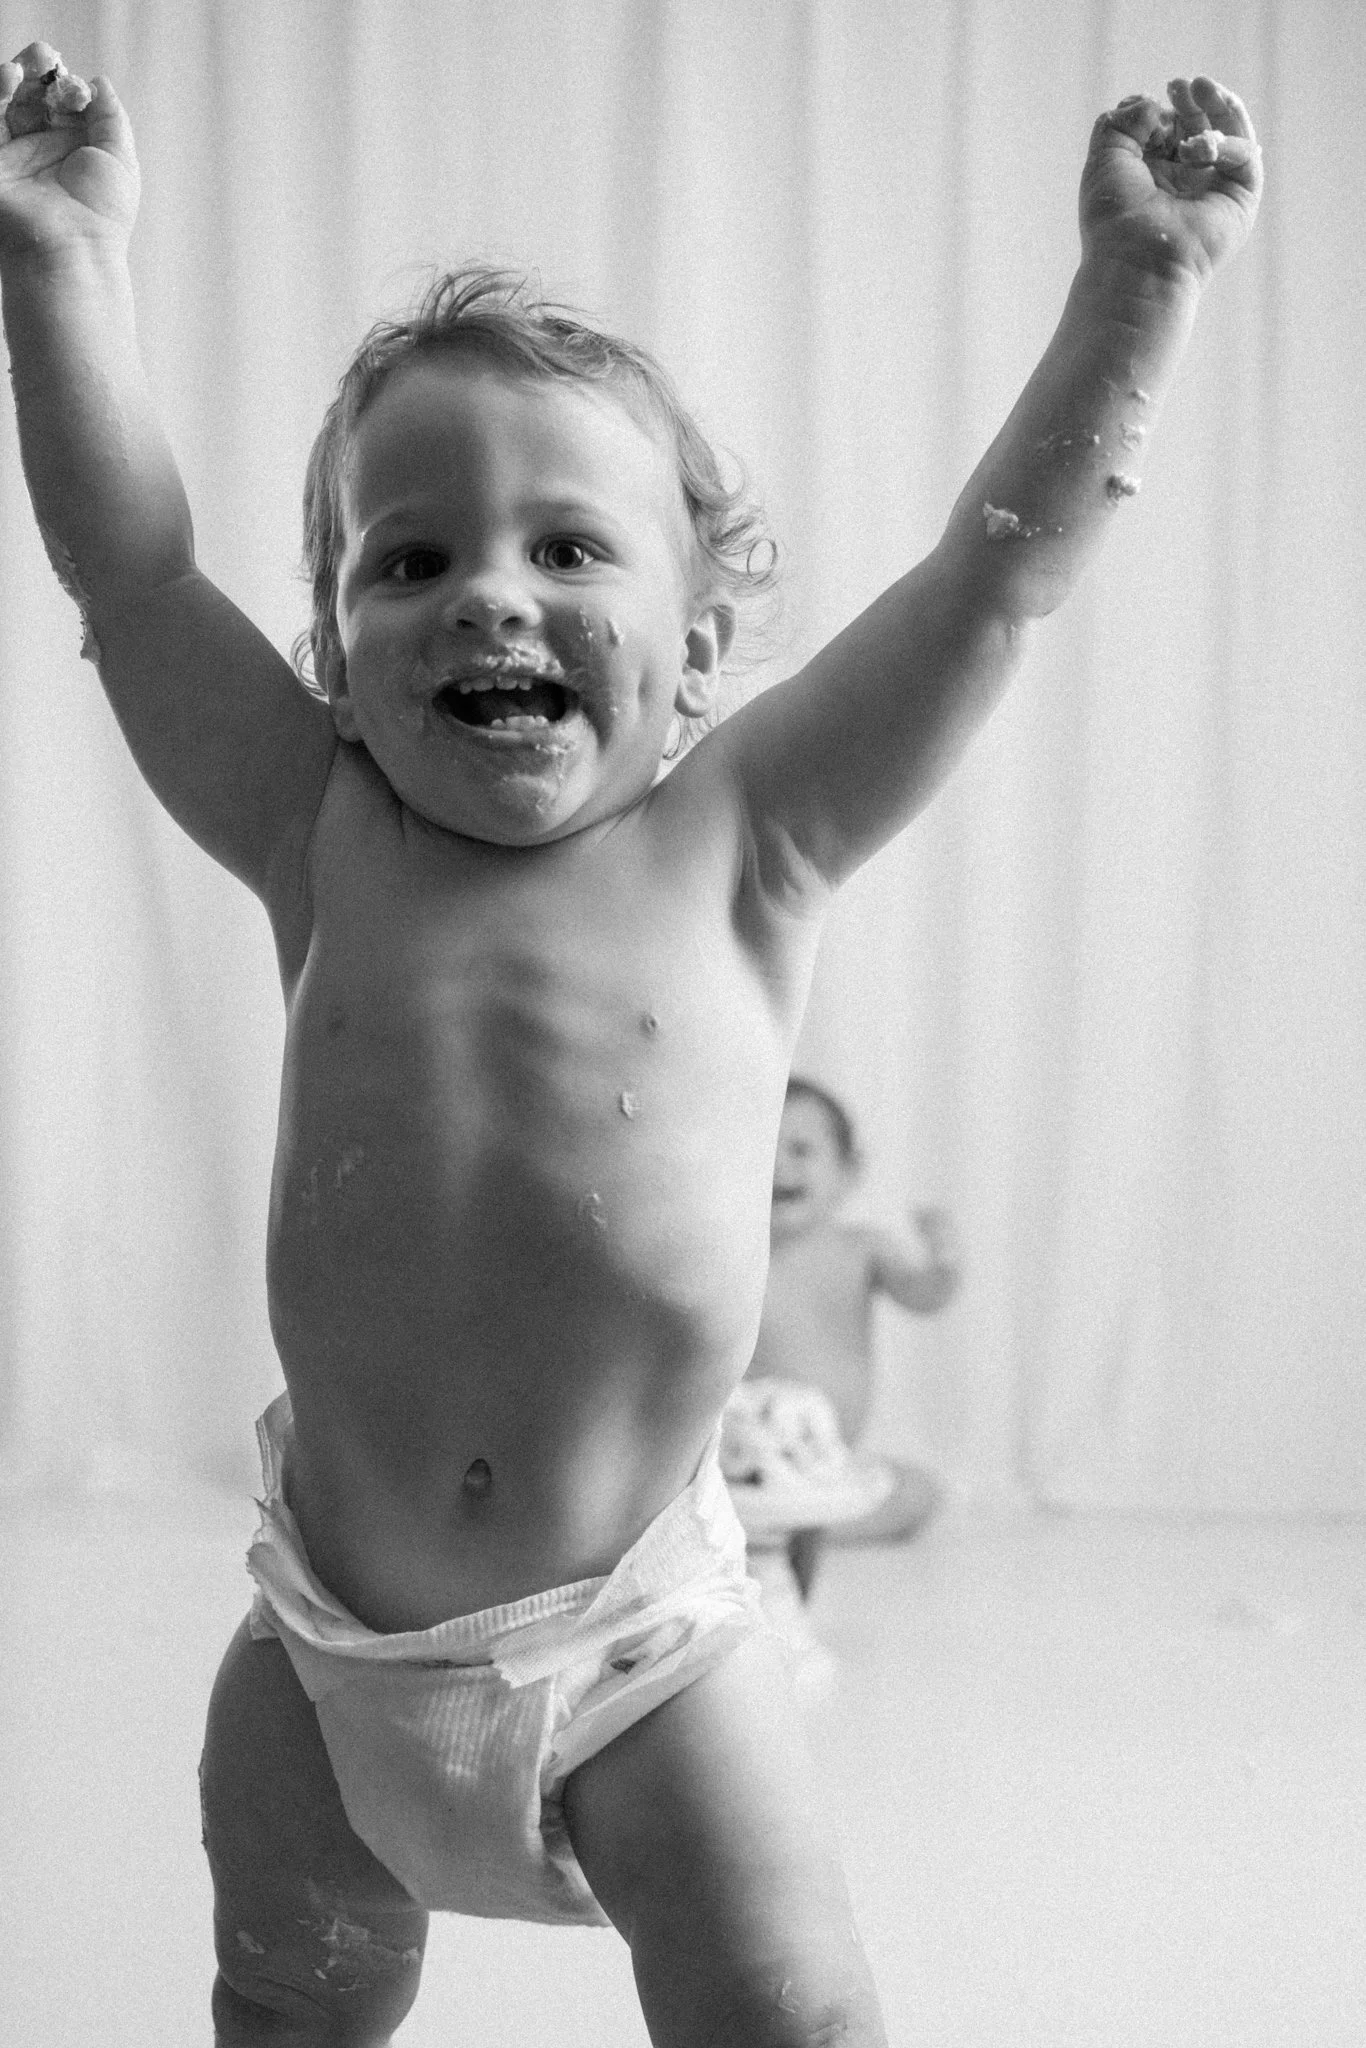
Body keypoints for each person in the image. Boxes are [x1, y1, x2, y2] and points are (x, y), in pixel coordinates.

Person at [0, 39, 1261, 2047]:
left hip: (635, 1651)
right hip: (328, 1648)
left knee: (789, 2015)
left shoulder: (745, 836)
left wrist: (1140, 283)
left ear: (698, 644)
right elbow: (130, 573)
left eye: (569, 550)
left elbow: (994, 577)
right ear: (331, 649)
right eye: (406, 563)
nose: (485, 592)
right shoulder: (317, 830)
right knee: (283, 1992)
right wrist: (61, 257)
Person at [723, 1077, 960, 1604]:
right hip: (747, 1458)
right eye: (764, 1148)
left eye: (801, 1150)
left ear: (850, 1172)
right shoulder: (736, 1251)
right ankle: (757, 1527)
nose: (780, 1166)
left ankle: (807, 1529)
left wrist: (942, 1256)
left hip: (829, 1466)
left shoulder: (862, 1249)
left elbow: (925, 1295)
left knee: (920, 1493)